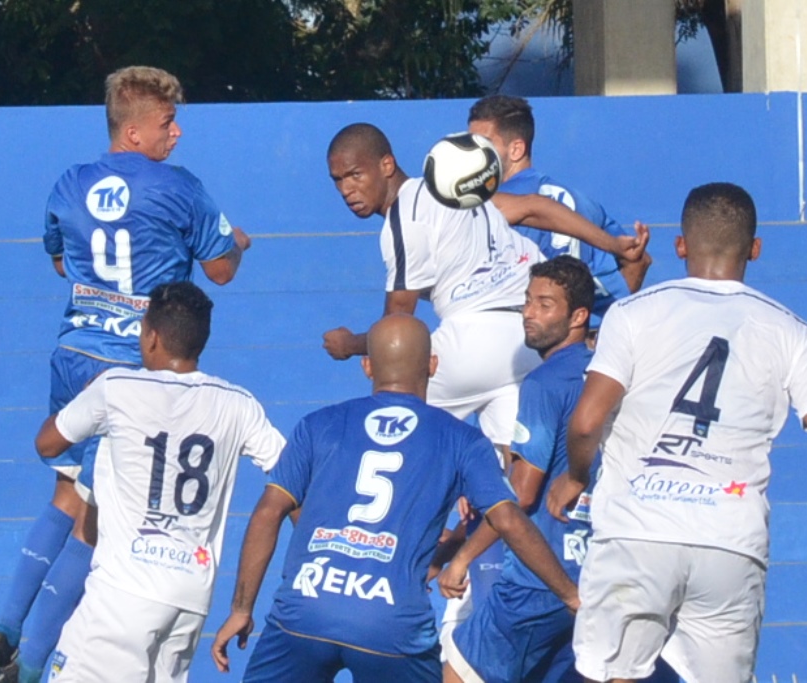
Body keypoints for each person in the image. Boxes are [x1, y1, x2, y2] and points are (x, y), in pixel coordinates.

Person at [547, 183, 807, 683]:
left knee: (613, 674)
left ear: (680, 245)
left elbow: (587, 421)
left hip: (637, 529)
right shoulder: (793, 332)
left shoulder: (632, 313)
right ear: (754, 249)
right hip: (729, 539)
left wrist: (576, 476)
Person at [0, 65, 251, 683]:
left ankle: (6, 624)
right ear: (133, 132)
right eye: (166, 123)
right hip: (133, 367)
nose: (176, 134)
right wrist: (237, 241)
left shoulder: (69, 182)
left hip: (74, 351)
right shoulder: (179, 187)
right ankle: (31, 666)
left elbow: (59, 260)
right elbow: (221, 272)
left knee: (65, 493)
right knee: (97, 521)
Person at [210, 314, 580, 683]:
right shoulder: (462, 440)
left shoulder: (318, 424)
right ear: (432, 366)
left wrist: (241, 609)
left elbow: (267, 513)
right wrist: (570, 596)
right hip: (390, 626)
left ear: (367, 367)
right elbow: (510, 520)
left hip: (305, 612)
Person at [322, 122, 647, 454]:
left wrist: (349, 344)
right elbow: (534, 207)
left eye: (355, 175)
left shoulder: (402, 221)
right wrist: (612, 243)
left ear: (386, 165)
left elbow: (397, 329)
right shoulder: (449, 188)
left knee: (387, 426)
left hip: (474, 344)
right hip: (530, 341)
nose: (347, 189)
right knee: (513, 475)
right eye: (338, 181)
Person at [37, 281, 284, 682]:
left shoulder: (116, 387)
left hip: (123, 593)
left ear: (151, 337)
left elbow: (47, 444)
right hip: (188, 600)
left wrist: (85, 399)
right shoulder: (239, 404)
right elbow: (291, 476)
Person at [438, 255, 597, 683]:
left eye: (545, 304)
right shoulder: (607, 378)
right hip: (597, 572)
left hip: (538, 580)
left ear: (578, 315)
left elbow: (522, 495)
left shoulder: (544, 384)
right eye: (527, 301)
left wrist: (462, 556)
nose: (529, 313)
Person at [467, 95, 651, 324]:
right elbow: (639, 260)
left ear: (516, 150)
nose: (472, 153)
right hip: (584, 339)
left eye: (483, 145)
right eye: (469, 144)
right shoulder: (584, 203)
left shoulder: (494, 207)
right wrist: (601, 330)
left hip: (527, 341)